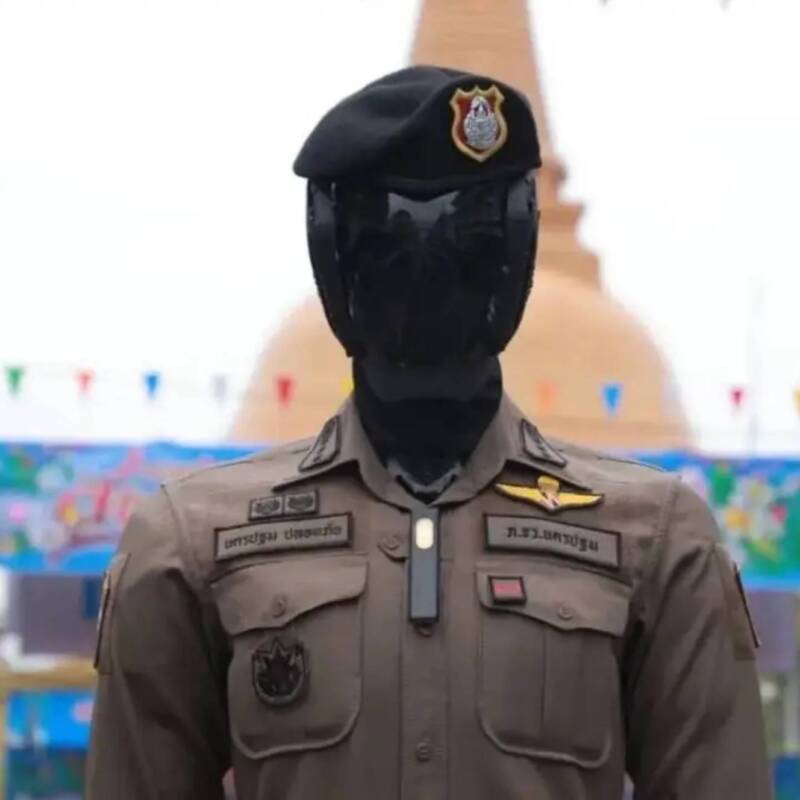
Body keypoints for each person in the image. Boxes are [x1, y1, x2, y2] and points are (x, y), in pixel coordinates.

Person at [86, 66, 773, 799]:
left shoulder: (653, 540)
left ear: (515, 256)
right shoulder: (192, 542)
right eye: (385, 245)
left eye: (468, 243)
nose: (426, 279)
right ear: (335, 258)